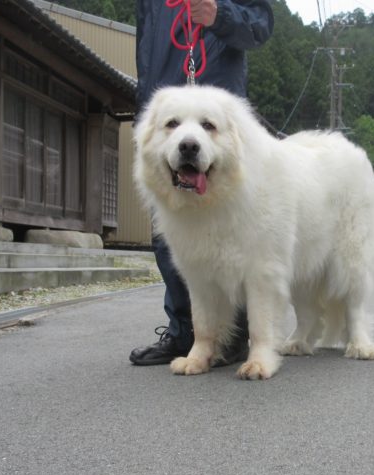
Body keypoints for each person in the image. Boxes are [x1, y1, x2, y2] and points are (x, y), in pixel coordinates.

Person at [129, 0, 274, 366]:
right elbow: (147, 48)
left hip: (219, 117)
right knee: (173, 237)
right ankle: (185, 333)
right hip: (164, 108)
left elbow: (260, 26)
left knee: (234, 234)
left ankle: (239, 335)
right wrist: (146, 108)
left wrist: (220, 16)